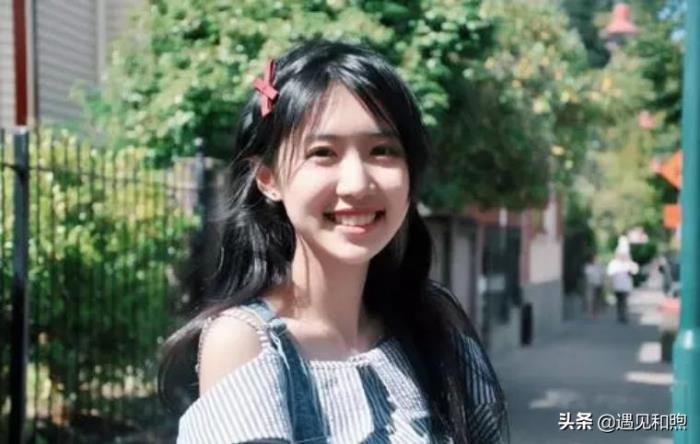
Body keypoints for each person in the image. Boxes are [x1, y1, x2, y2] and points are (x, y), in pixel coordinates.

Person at [158, 39, 508, 443]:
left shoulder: (432, 322)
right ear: (268, 179)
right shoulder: (247, 344)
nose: (357, 184)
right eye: (323, 152)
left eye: (382, 150)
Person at [606, 249, 639, 324]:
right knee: (619, 301)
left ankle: (623, 315)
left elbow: (635, 271)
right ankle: (620, 314)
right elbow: (610, 273)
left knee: (624, 301)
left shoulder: (628, 263)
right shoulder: (614, 263)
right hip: (617, 286)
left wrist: (629, 263)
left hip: (625, 287)